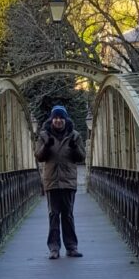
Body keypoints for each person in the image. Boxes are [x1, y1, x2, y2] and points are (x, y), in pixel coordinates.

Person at [35, 105, 86, 259]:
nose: (58, 120)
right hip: (51, 181)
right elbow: (39, 156)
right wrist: (46, 146)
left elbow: (81, 157)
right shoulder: (44, 136)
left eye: (61, 118)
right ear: (52, 119)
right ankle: (54, 249)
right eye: (55, 117)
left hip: (68, 181)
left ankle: (71, 247)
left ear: (65, 119)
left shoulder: (75, 136)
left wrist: (75, 147)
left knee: (68, 215)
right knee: (53, 215)